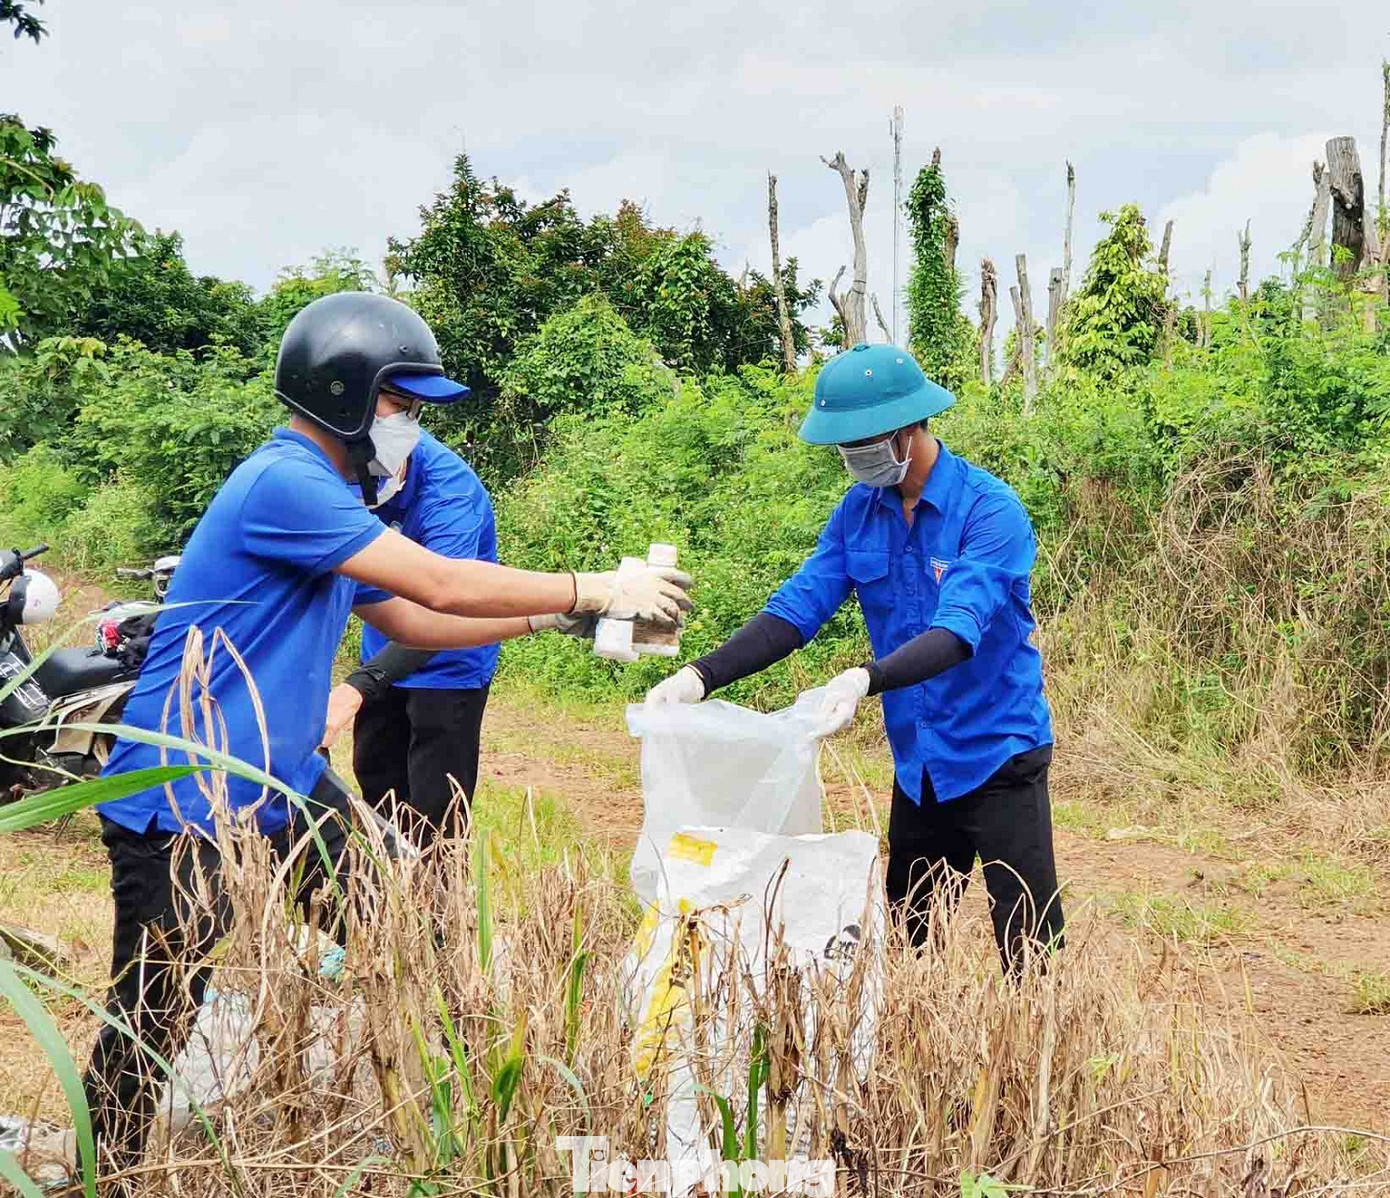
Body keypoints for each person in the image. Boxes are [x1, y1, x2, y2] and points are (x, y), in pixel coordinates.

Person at [82, 291, 691, 1185]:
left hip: (285, 784)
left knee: (402, 926)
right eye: (401, 404)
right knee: (155, 1014)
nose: (410, 426)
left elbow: (413, 618)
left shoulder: (330, 500)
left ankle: (454, 1121)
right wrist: (588, 586)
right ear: (345, 397)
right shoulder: (285, 483)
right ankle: (103, 1170)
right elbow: (441, 581)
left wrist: (546, 620)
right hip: (187, 792)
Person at [645, 342, 1060, 973]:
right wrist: (699, 676)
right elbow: (796, 611)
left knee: (1030, 948)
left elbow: (957, 633)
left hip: (997, 750)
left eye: (862, 441)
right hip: (919, 761)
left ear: (907, 429)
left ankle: (1035, 1033)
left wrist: (865, 678)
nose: (852, 456)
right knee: (909, 936)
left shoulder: (988, 511)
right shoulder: (859, 513)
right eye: (843, 445)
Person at [318, 426, 501, 843]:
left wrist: (356, 688)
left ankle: (436, 886)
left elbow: (444, 608)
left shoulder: (450, 495)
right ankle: (388, 882)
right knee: (377, 788)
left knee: (437, 815)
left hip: (450, 663)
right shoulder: (341, 466)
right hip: (382, 650)